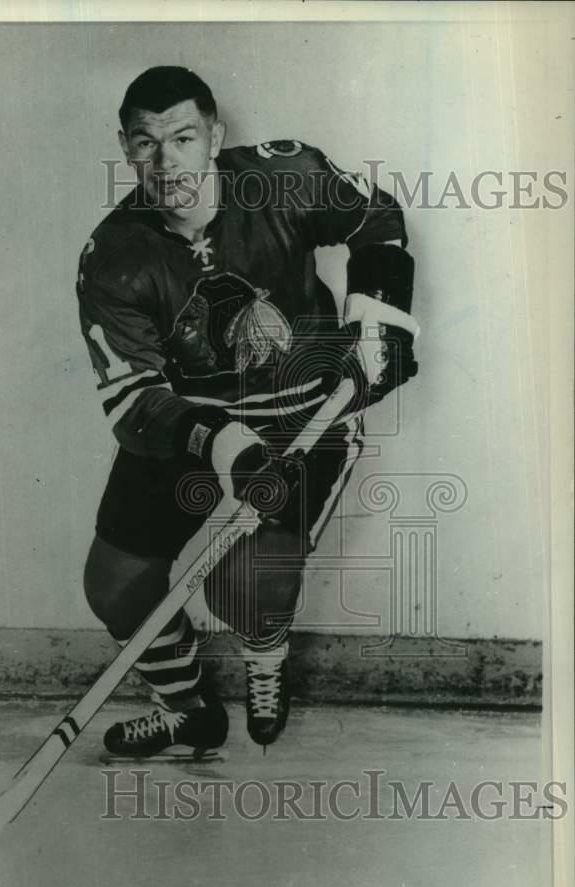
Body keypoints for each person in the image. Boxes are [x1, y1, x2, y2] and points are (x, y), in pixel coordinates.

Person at [76, 66, 419, 758]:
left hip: (303, 420)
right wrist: (225, 447)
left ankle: (265, 657)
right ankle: (186, 711)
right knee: (114, 585)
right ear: (125, 147)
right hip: (193, 431)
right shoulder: (113, 253)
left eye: (182, 136)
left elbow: (374, 217)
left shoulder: (283, 177)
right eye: (145, 142)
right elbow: (132, 400)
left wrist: (378, 325)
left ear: (214, 136)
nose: (165, 159)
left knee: (240, 591)